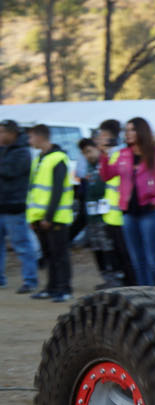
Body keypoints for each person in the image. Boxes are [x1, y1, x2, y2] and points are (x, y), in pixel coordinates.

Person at [100, 117, 155, 287]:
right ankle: (146, 296)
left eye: (132, 129)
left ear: (142, 131)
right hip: (129, 214)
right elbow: (107, 176)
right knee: (137, 260)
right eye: (126, 130)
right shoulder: (123, 154)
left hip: (150, 212)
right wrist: (104, 156)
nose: (128, 134)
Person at [25, 124, 74, 301]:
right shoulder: (39, 158)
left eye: (31, 137)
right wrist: (33, 217)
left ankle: (64, 288)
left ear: (40, 137)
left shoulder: (58, 158)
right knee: (48, 255)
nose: (29, 141)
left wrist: (49, 216)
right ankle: (51, 287)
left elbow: (57, 190)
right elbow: (35, 190)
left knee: (60, 255)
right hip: (40, 218)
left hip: (55, 218)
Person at [76, 138, 125, 288]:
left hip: (106, 216)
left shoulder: (106, 164)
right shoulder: (89, 168)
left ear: (97, 148)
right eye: (84, 153)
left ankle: (117, 278)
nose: (88, 155)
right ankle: (107, 278)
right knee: (97, 249)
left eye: (89, 151)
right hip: (93, 217)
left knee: (109, 248)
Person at [0, 119, 41, 293]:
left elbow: (11, 172)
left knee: (22, 245)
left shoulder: (23, 151)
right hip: (2, 205)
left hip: (14, 206)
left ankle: (30, 280)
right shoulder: (4, 150)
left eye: (2, 132)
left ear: (12, 133)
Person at [94, 120, 135, 286]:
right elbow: (106, 177)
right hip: (112, 214)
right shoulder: (110, 154)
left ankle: (131, 283)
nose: (99, 138)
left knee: (126, 254)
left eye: (101, 134)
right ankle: (123, 281)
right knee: (118, 253)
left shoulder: (122, 154)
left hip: (122, 213)